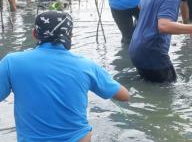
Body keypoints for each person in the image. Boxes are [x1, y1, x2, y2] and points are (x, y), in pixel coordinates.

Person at [0, 10, 129, 141]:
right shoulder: (86, 65)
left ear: (34, 34)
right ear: (71, 35)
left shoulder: (12, 62)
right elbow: (124, 96)